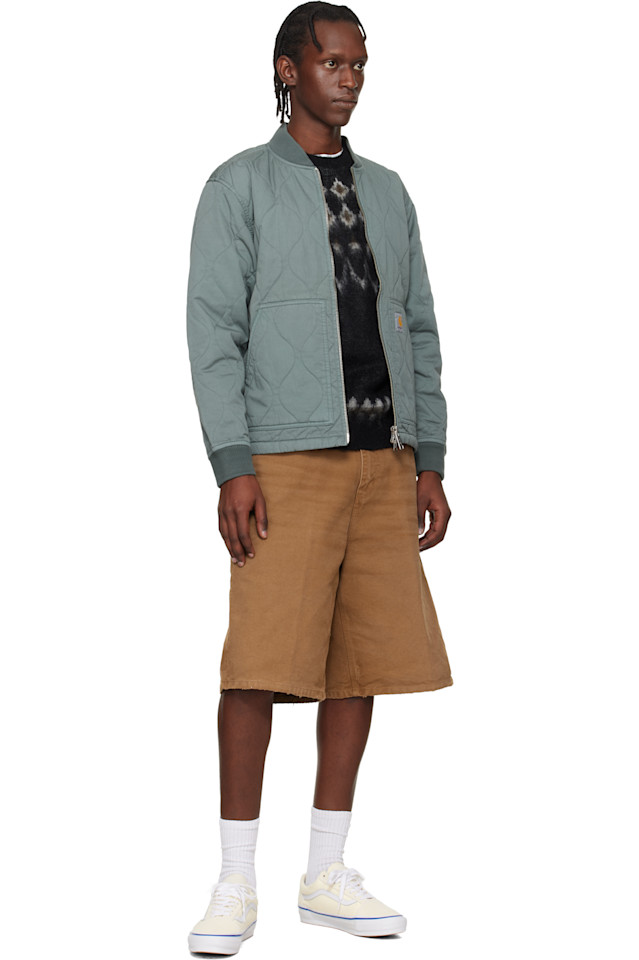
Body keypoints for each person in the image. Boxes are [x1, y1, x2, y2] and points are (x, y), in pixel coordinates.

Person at [185, 2, 453, 953]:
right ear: (288, 69)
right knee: (258, 665)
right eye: (333, 61)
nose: (350, 78)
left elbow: (419, 327)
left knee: (359, 664)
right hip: (286, 459)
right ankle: (234, 880)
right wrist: (233, 463)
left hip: (383, 460)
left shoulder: (388, 190)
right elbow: (213, 330)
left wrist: (429, 458)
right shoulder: (240, 185)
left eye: (359, 64)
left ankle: (325, 874)